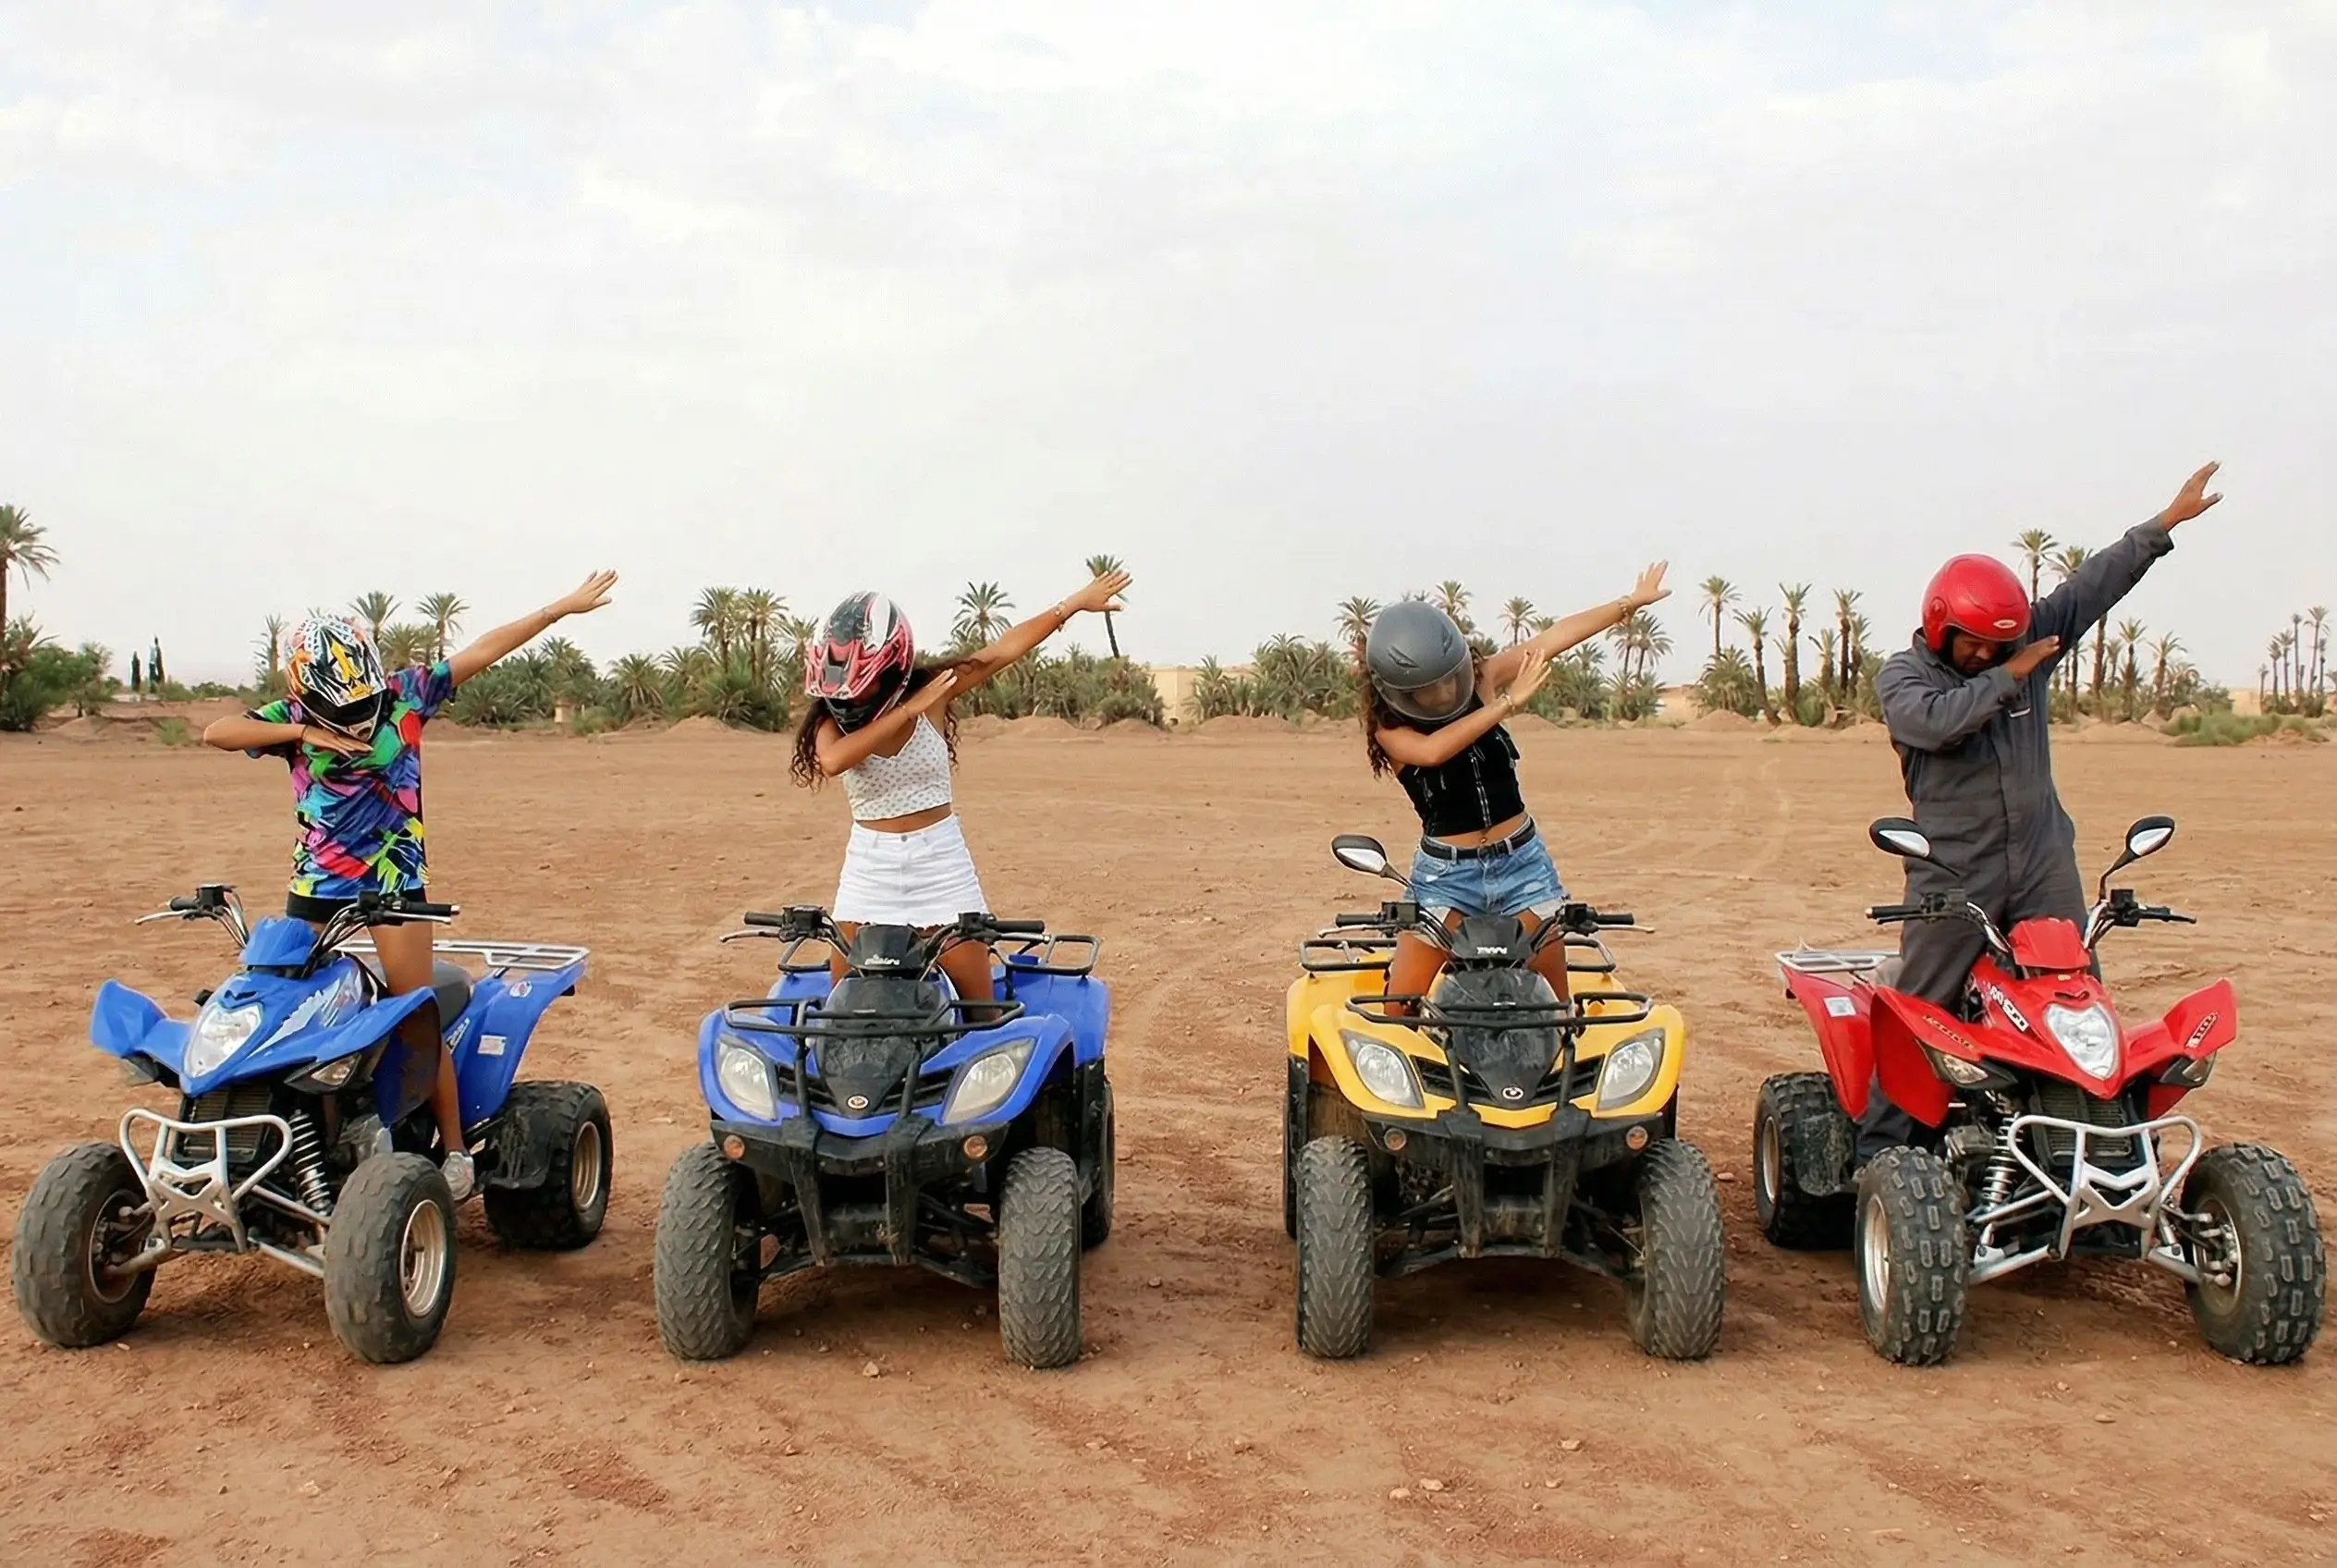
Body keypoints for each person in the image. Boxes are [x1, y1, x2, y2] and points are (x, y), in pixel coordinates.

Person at [201, 572, 618, 1198]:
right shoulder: (291, 717)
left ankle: (453, 1150)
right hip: (316, 886)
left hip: (395, 884)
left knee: (413, 1014)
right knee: (288, 1015)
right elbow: (216, 732)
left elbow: (482, 650)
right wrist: (299, 733)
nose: (354, 715)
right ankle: (299, 1144)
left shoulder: (405, 695)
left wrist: (556, 609)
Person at [1860, 462, 2225, 1158]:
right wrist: (2010, 674)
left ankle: (2099, 1155)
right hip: (1952, 872)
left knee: (2078, 1007)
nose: (1987, 651)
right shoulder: (1904, 676)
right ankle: (1880, 1161)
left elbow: (2092, 586)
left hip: (2043, 864)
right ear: (1940, 628)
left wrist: (2162, 525)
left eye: (2000, 642)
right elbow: (1936, 725)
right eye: (1973, 642)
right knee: (1923, 1011)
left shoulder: (2028, 636)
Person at [788, 569, 1132, 1009]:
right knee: (845, 1011)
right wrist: (908, 712)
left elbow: (1002, 651)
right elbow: (834, 762)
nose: (848, 697)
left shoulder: (935, 691)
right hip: (868, 870)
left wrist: (1072, 604)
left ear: (890, 665)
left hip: (940, 866)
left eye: (860, 681)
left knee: (978, 1011)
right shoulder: (830, 720)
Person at [1363, 564, 1671, 1011]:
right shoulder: (1389, 730)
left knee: (1555, 1010)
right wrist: (1507, 704)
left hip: (1523, 866)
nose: (1449, 690)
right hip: (1447, 879)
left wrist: (1628, 603)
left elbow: (1550, 640)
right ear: (1398, 690)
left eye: (1453, 676)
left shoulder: (1481, 677)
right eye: (1433, 687)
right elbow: (1433, 752)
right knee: (1398, 1010)